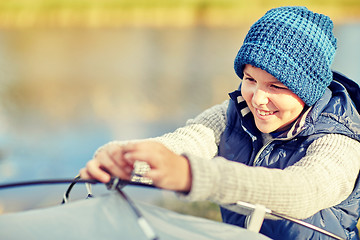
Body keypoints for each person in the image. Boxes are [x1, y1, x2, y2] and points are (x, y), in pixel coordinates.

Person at [80, 6, 360, 240]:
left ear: (307, 91)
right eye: (250, 80)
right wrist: (125, 158)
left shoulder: (339, 139)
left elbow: (302, 190)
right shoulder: (235, 113)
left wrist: (192, 176)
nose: (258, 99)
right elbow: (184, 142)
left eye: (276, 86)